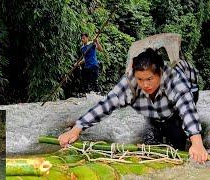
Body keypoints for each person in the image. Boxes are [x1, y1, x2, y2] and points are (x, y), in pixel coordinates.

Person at [59, 48, 208, 163]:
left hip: (174, 112)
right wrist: (76, 129)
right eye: (140, 79)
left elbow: (186, 107)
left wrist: (197, 142)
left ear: (160, 73)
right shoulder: (129, 83)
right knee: (149, 144)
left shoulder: (173, 79)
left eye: (149, 78)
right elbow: (105, 104)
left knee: (177, 145)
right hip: (152, 115)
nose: (145, 84)